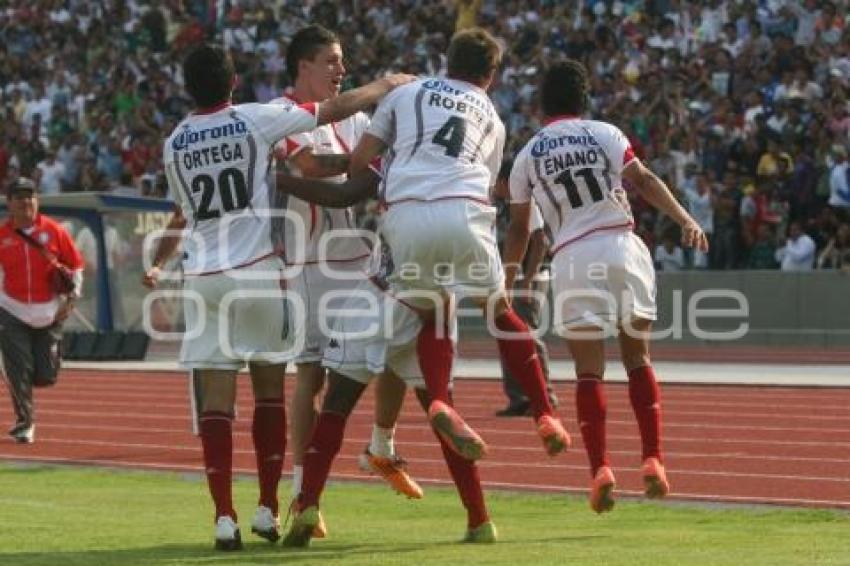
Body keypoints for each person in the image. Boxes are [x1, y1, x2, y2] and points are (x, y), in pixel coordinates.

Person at [145, 43, 412, 551]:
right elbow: (328, 111)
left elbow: (185, 211)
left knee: (217, 405)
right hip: (258, 272)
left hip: (202, 277)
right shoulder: (252, 119)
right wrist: (384, 86)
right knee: (269, 393)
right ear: (233, 84)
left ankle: (224, 518)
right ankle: (267, 508)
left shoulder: (175, 141)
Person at [347, 27, 570, 464]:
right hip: (464, 212)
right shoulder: (491, 114)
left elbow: (359, 160)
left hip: (407, 215)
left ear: (447, 61)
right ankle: (545, 413)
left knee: (432, 310)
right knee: (502, 313)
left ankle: (439, 404)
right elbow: (483, 184)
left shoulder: (405, 93)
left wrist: (391, 168)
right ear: (490, 75)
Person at [505, 59, 709, 514]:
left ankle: (600, 468)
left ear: (542, 105)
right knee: (638, 359)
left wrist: (508, 277)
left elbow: (521, 229)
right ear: (584, 99)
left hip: (574, 255)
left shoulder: (527, 155)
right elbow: (645, 180)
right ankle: (653, 458)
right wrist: (685, 219)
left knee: (588, 373)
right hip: (622, 244)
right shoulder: (606, 133)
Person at [274, 165, 496, 546]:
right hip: (430, 308)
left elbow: (343, 194)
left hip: (377, 297)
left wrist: (279, 177)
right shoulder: (463, 183)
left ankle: (308, 503)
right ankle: (479, 519)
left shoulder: (394, 167)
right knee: (442, 411)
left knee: (334, 409)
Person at [271, 26, 419, 524]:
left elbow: (360, 172)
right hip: (309, 262)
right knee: (313, 376)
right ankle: (302, 491)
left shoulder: (353, 119)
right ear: (303, 67)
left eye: (343, 60)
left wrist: (368, 166)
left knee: (399, 343)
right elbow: (314, 167)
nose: (341, 69)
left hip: (357, 257)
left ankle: (381, 444)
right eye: (331, 61)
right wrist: (364, 166)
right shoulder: (281, 113)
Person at [0, 177, 83, 444]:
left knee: (46, 376)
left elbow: (76, 265)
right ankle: (25, 423)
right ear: (9, 203)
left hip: (50, 311)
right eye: (20, 197)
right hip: (11, 310)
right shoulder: (2, 236)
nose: (26, 201)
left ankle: (50, 362)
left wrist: (71, 300)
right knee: (18, 368)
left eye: (31, 196)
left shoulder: (55, 231)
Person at [492, 161, 557, 417]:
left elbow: (540, 240)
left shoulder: (527, 203)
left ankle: (546, 396)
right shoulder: (509, 206)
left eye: (496, 182)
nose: (494, 188)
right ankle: (519, 397)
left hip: (528, 279)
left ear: (506, 182)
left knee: (528, 337)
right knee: (508, 337)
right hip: (512, 278)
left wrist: (528, 278)